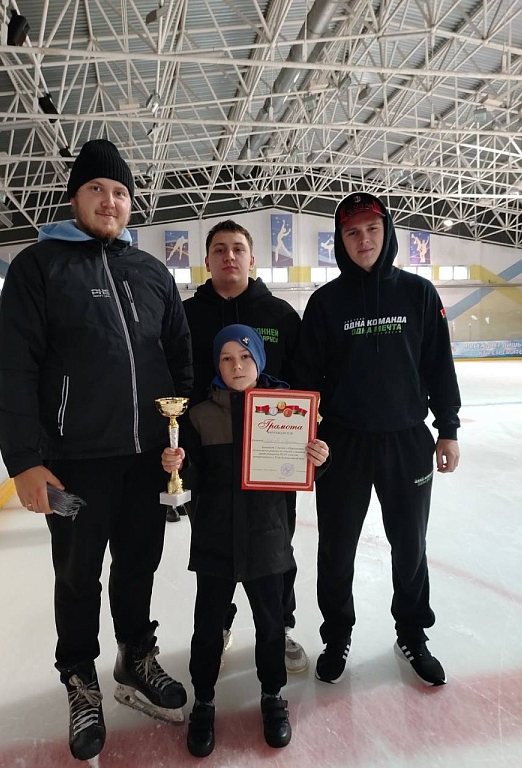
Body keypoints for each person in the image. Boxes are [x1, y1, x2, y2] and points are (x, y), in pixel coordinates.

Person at [0, 139, 193, 764]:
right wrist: (25, 461)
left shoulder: (152, 273)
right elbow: (15, 370)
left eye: (121, 192)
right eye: (97, 189)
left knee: (139, 563)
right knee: (78, 575)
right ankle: (80, 678)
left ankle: (135, 655)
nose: (110, 200)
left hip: (145, 459)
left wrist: (178, 440)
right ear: (75, 197)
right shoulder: (38, 267)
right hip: (74, 464)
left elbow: (180, 362)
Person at [293, 192, 461, 688]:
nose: (363, 239)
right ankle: (336, 636)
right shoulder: (325, 303)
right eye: (352, 232)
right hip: (342, 444)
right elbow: (306, 379)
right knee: (336, 547)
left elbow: (439, 365)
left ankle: (412, 633)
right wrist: (306, 436)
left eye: (371, 229)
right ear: (340, 241)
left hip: (407, 441)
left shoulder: (419, 293)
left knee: (410, 545)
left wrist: (448, 428)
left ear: (386, 233)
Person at [161, 324, 329, 757]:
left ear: (260, 360)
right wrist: (177, 465)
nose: (237, 366)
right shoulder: (199, 416)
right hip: (215, 542)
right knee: (207, 629)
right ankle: (204, 701)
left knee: (271, 627)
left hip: (267, 541)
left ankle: (272, 696)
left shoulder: (287, 411)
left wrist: (319, 458)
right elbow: (192, 478)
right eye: (226, 358)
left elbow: (302, 470)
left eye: (245, 356)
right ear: (216, 365)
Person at [182, 220, 307, 674]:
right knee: (214, 540)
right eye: (219, 249)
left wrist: (304, 434)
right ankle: (218, 622)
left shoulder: (280, 314)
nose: (229, 256)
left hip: (273, 458)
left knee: (277, 544)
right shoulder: (186, 315)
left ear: (252, 259)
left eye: (237, 248)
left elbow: (302, 380)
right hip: (210, 450)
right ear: (207, 261)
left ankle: (281, 623)